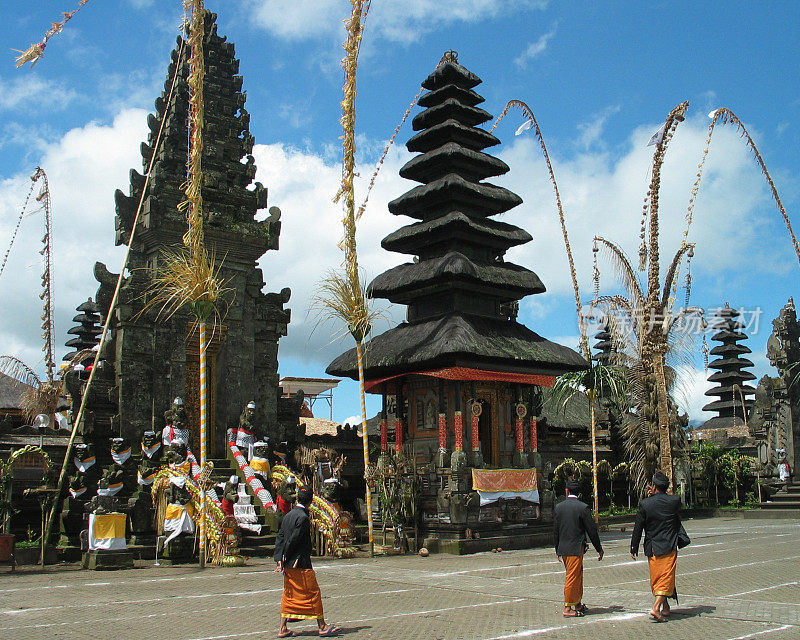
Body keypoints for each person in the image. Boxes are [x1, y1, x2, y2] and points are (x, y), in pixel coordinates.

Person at [274, 487, 340, 638]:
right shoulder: (303, 517)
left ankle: (282, 627)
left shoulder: (289, 515)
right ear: (310, 501)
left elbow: (280, 538)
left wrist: (279, 559)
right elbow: (293, 540)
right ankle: (322, 626)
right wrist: (285, 557)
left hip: (289, 563)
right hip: (300, 562)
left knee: (289, 594)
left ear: (297, 499)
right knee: (312, 592)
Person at [630, 471, 689, 623]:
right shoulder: (674, 501)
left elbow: (638, 527)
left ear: (654, 486)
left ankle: (661, 607)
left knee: (658, 579)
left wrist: (633, 547)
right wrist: (655, 495)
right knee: (665, 578)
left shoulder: (645, 504)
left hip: (653, 547)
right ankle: (659, 607)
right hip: (668, 545)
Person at [553, 480, 604, 617]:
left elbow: (556, 530)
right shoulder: (583, 507)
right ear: (578, 493)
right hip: (575, 548)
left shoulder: (559, 507)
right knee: (572, 577)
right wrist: (599, 548)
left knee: (576, 576)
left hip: (564, 547)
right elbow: (591, 530)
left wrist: (557, 548)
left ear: (566, 491)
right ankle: (567, 607)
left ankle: (577, 603)